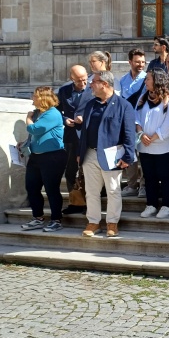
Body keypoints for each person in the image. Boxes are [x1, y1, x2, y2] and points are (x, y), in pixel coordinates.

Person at [79, 70, 136, 238]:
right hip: (90, 153)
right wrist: (80, 152)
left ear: (104, 84)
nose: (90, 84)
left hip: (112, 155)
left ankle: (112, 223)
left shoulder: (123, 105)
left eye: (94, 81)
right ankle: (93, 222)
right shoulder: (91, 104)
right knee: (91, 191)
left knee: (112, 190)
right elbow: (84, 130)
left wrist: (127, 156)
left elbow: (129, 133)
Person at [19, 86, 66, 233]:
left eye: (34, 96)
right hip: (36, 156)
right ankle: (38, 218)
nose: (32, 98)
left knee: (51, 189)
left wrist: (27, 118)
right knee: (31, 187)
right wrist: (25, 143)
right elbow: (35, 135)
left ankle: (56, 220)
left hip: (52, 157)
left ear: (42, 98)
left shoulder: (52, 113)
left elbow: (35, 129)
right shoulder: (38, 113)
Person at [136, 69, 169, 220]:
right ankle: (151, 204)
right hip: (145, 146)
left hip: (164, 147)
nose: (146, 81)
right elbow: (136, 117)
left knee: (166, 176)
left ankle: (167, 206)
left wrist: (153, 137)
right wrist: (141, 134)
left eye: (148, 79)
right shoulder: (143, 97)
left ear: (157, 80)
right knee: (149, 177)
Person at [56, 65, 93, 214]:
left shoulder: (92, 89)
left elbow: (99, 108)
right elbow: (56, 110)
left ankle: (90, 203)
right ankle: (75, 202)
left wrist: (85, 118)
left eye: (85, 79)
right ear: (72, 78)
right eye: (79, 81)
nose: (83, 83)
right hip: (71, 136)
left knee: (89, 172)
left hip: (88, 136)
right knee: (70, 171)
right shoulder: (64, 91)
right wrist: (65, 119)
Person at [119, 49, 147, 198]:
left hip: (142, 122)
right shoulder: (123, 80)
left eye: (143, 62)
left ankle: (143, 185)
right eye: (137, 62)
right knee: (130, 153)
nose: (141, 64)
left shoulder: (147, 79)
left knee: (143, 154)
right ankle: (131, 185)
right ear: (130, 62)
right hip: (127, 122)